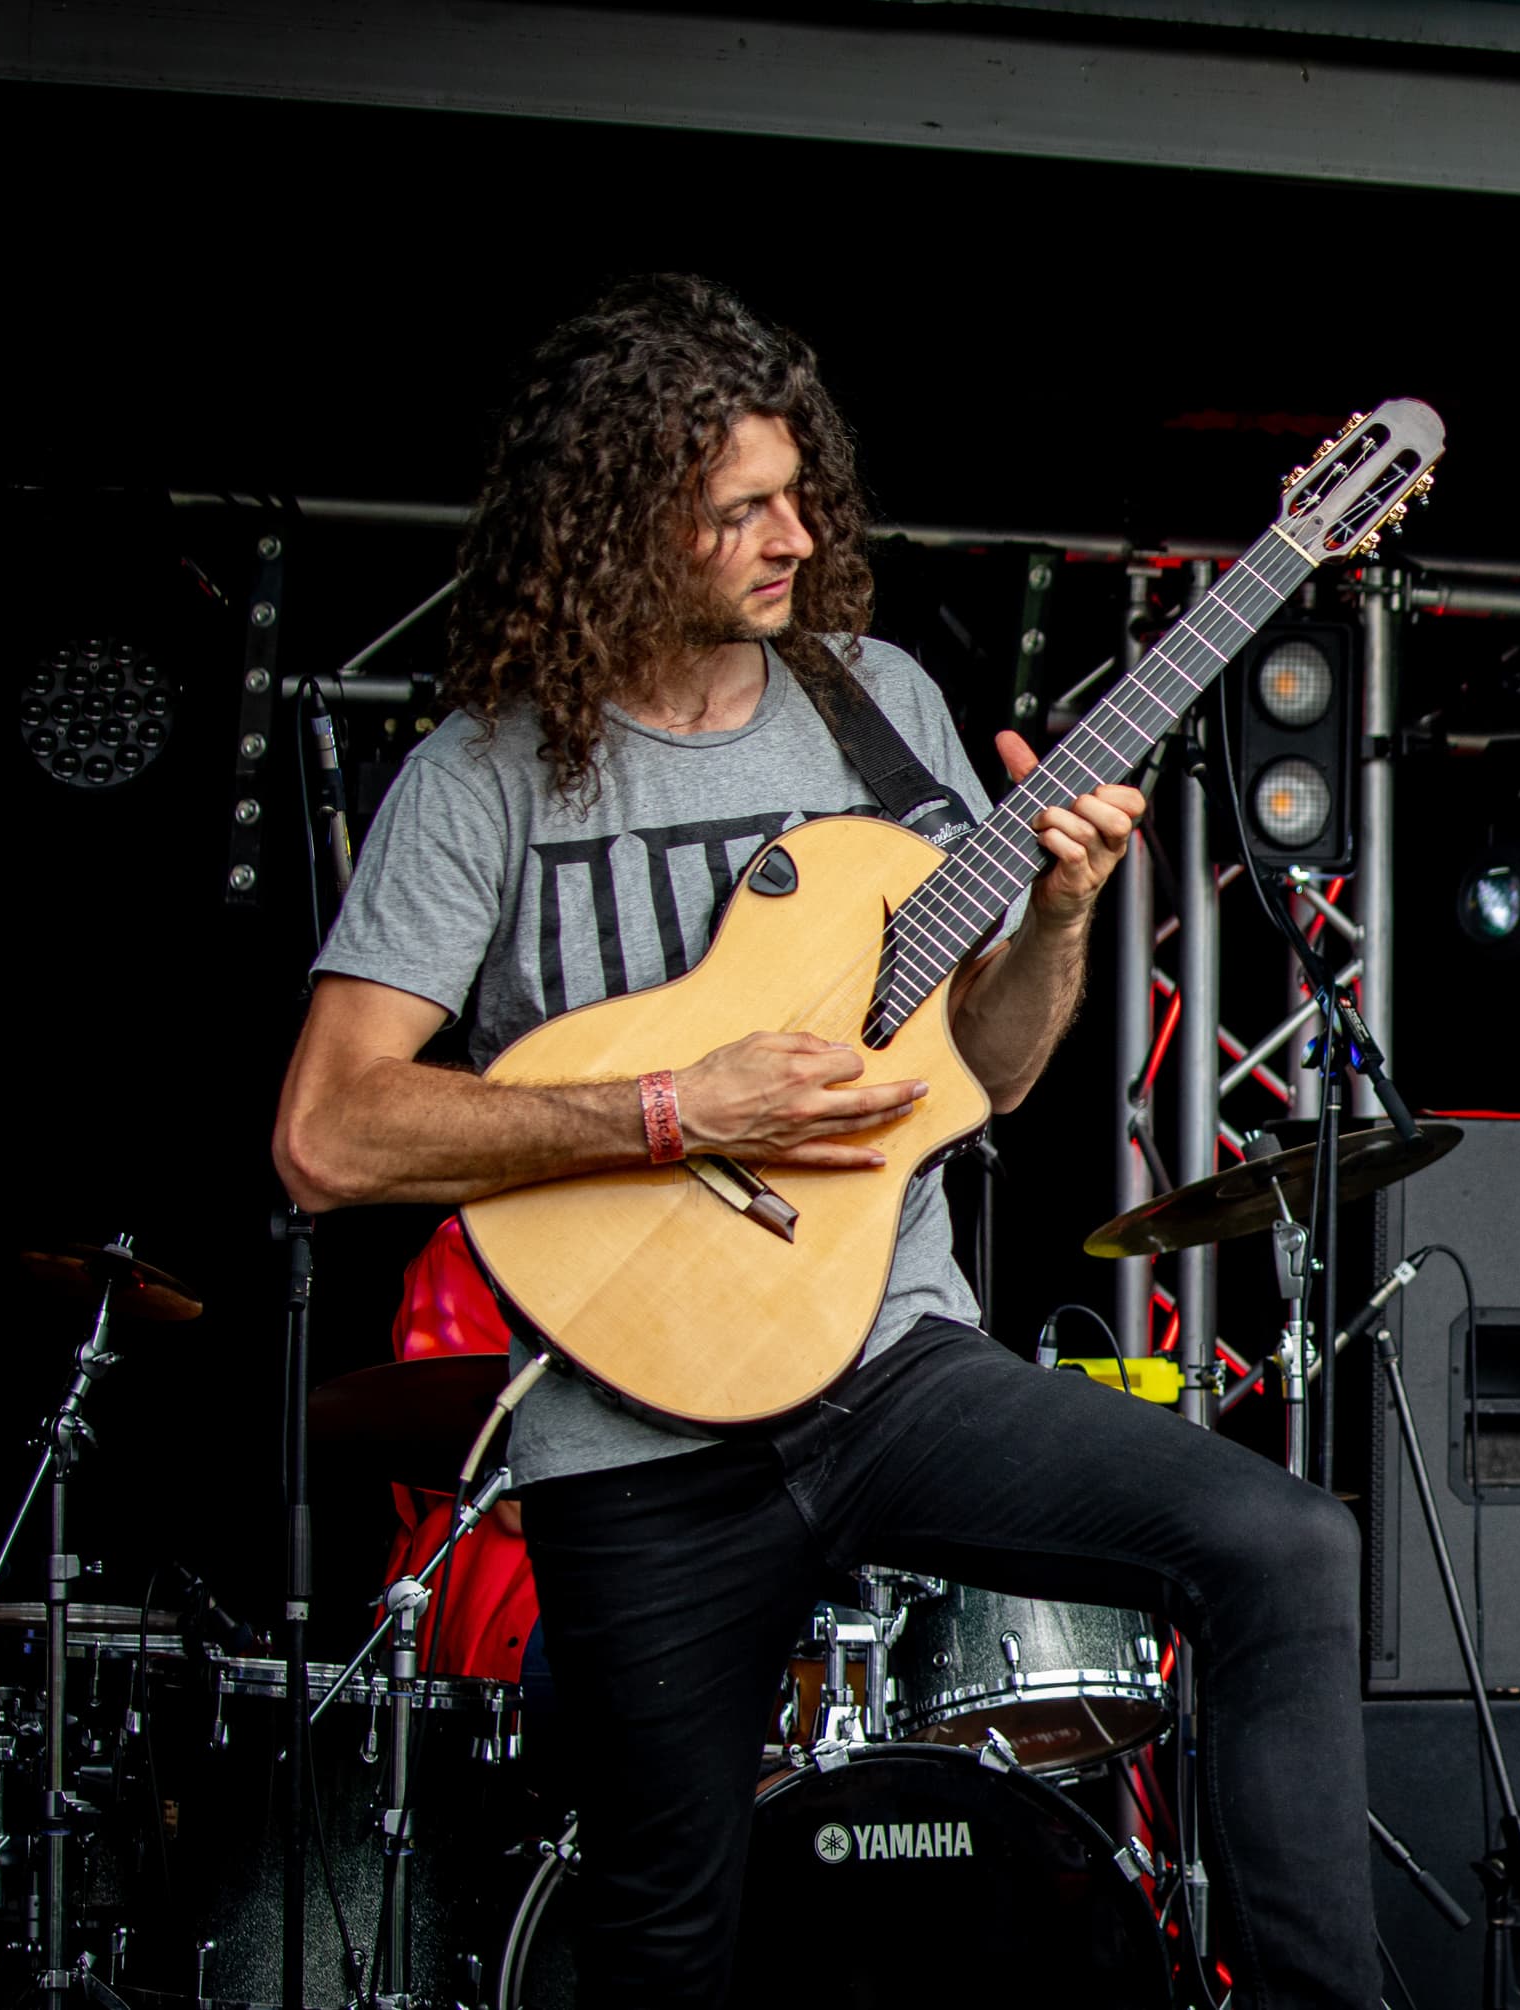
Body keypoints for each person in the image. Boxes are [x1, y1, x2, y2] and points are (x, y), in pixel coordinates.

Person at [270, 275, 1371, 2007]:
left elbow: (984, 1070)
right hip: (629, 1432)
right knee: (664, 1937)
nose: (794, 536)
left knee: (1285, 1543)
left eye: (796, 493)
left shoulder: (879, 709)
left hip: (888, 1363)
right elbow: (327, 1132)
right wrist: (673, 1109)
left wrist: (1062, 914)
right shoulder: (481, 779)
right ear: (614, 521)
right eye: (739, 510)